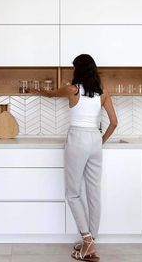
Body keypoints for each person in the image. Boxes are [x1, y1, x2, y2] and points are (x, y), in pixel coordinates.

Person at [32, 54, 117, 261]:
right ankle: (92, 240)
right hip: (95, 140)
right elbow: (114, 123)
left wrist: (38, 90)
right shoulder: (103, 93)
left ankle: (87, 242)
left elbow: (51, 94)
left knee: (72, 193)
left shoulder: (72, 89)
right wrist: (99, 141)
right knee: (93, 191)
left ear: (78, 70)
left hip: (77, 139)